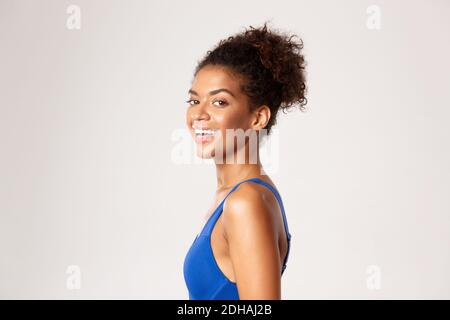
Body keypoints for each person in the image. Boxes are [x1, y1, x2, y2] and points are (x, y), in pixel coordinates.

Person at [183, 21, 307, 300]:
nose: (199, 114)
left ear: (258, 117)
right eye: (194, 101)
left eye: (219, 102)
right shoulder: (234, 195)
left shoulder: (245, 202)